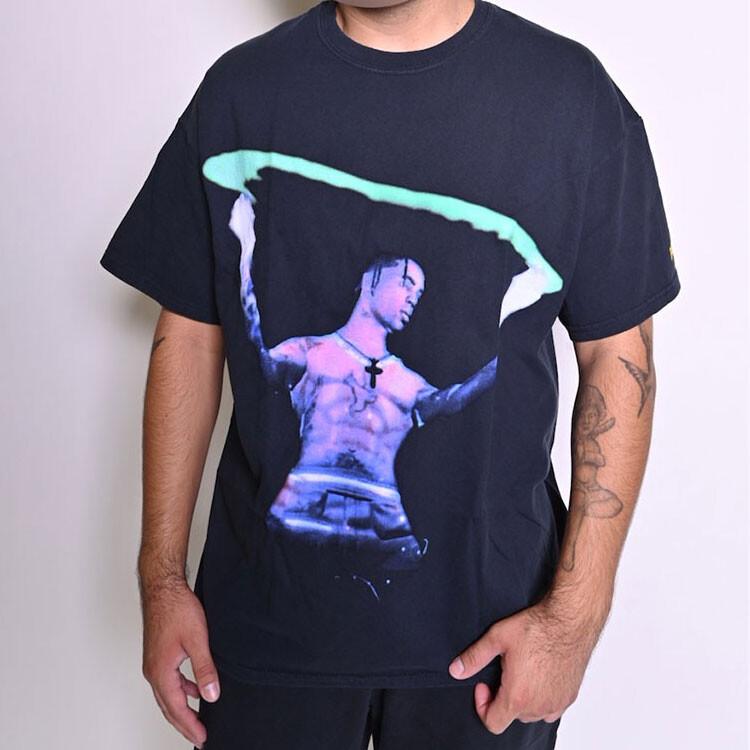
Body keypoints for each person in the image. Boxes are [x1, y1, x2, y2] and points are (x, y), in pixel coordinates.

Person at [99, 0, 681, 747]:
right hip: (267, 629)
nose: (411, 297)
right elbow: (189, 335)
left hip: (488, 639)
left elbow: (618, 356)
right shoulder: (241, 92)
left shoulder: (569, 96)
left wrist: (573, 619)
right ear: (372, 281)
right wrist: (162, 581)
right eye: (402, 281)